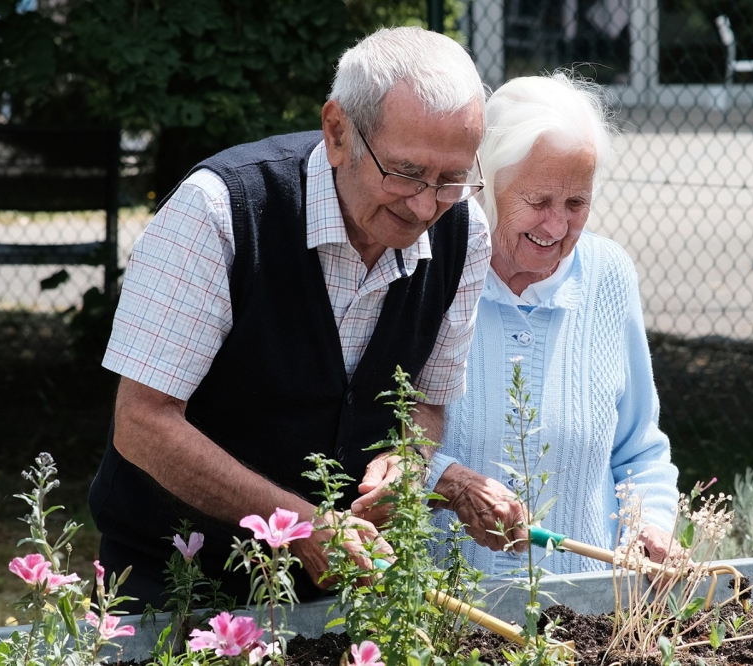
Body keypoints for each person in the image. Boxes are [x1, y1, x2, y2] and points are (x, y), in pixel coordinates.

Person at [88, 26, 490, 607]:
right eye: (405, 173)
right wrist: (299, 525)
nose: (427, 205)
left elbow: (427, 401)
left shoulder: (465, 232)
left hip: (345, 582)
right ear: (337, 132)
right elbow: (143, 422)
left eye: (451, 178)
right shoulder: (219, 210)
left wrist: (406, 461)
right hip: (178, 575)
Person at [429, 72, 679, 575]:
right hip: (445, 613)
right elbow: (378, 440)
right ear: (487, 184)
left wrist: (648, 524)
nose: (557, 226)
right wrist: (446, 480)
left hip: (585, 615)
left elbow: (640, 448)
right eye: (538, 201)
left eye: (576, 203)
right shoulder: (429, 269)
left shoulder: (608, 275)